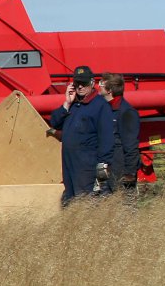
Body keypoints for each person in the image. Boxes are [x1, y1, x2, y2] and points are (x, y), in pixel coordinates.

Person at [47, 65, 116, 204]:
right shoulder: (73, 104)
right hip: (69, 167)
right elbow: (54, 122)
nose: (80, 87)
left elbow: (107, 139)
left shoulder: (100, 106)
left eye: (83, 84)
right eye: (77, 83)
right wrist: (66, 103)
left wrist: (102, 167)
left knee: (86, 205)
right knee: (71, 204)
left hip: (88, 168)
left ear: (92, 83)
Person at [100, 71, 141, 194]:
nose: (98, 86)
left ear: (109, 90)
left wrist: (130, 173)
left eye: (101, 83)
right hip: (107, 166)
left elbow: (131, 145)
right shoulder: (105, 109)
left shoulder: (126, 112)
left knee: (124, 205)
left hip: (120, 169)